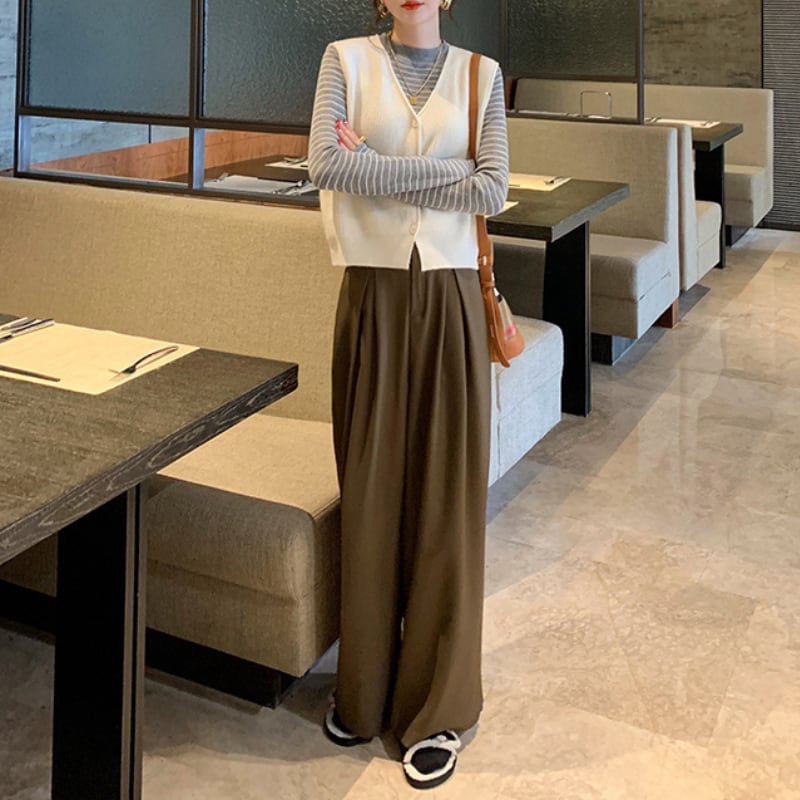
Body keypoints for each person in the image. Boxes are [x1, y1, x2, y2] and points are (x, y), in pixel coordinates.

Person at [307, 0, 509, 790]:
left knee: (446, 501)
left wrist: (382, 167)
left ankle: (438, 709)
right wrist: (450, 172)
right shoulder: (344, 60)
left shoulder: (481, 74)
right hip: (372, 300)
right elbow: (327, 165)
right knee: (370, 493)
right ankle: (363, 691)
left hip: (453, 299)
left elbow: (493, 191)